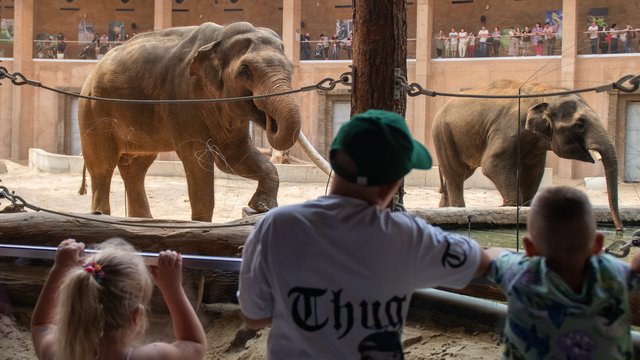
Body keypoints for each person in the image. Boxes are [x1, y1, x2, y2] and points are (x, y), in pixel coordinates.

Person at [238, 109, 492, 358]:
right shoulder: (409, 235)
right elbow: (484, 261)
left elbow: (255, 317)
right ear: (393, 184)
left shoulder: (275, 225)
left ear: (334, 160)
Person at [485, 186, 640, 359]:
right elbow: (636, 267)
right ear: (598, 244)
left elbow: (489, 258)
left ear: (529, 248)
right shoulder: (617, 274)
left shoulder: (518, 272)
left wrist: (498, 254)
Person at [31, 238, 207, 360]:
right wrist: (172, 288)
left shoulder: (55, 353)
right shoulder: (153, 357)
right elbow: (193, 343)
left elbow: (41, 324)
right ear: (136, 316)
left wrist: (59, 268)